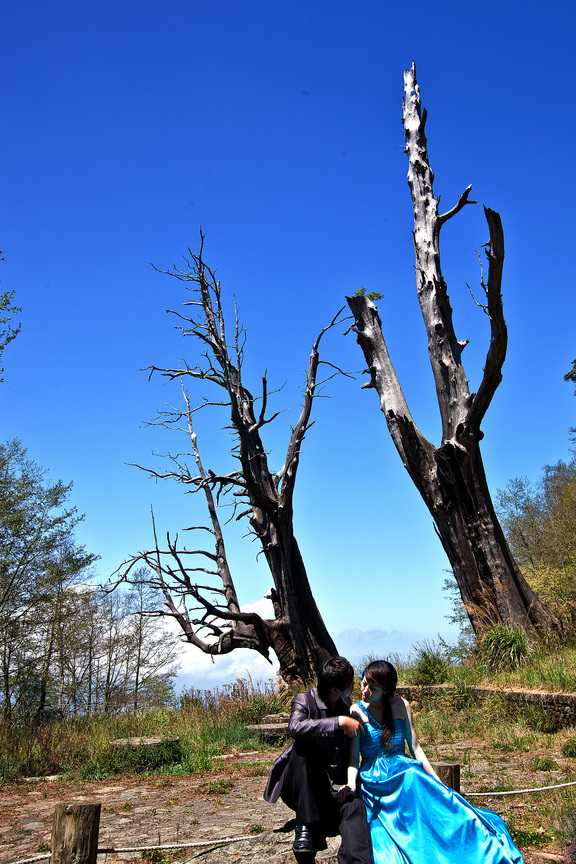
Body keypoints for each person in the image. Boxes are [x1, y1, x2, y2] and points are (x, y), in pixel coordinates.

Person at [340, 660, 523, 864]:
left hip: (405, 772)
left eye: (372, 688)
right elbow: (353, 758)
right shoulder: (356, 711)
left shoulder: (401, 705)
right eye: (363, 683)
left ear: (386, 690)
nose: (365, 690)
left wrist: (438, 782)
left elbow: (416, 749)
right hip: (376, 780)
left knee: (427, 792)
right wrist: (351, 785)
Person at [264, 656, 373, 863]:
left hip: (332, 787)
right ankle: (304, 827)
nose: (353, 685)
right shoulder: (304, 700)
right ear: (334, 690)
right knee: (303, 748)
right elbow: (295, 728)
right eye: (349, 683)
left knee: (355, 807)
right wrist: (337, 723)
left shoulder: (345, 703)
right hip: (303, 784)